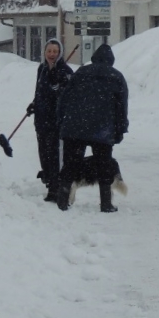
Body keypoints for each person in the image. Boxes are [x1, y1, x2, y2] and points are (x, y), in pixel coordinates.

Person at [55, 43, 129, 212]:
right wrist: (120, 130)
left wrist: (61, 122)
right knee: (104, 165)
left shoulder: (80, 72)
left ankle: (62, 200)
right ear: (111, 61)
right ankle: (106, 204)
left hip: (74, 127)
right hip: (102, 129)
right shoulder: (116, 76)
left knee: (70, 164)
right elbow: (121, 108)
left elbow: (63, 99)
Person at [28, 38, 73, 202]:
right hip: (41, 119)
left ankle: (55, 188)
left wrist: (57, 85)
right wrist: (34, 104)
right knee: (44, 153)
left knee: (54, 155)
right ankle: (49, 180)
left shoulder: (65, 71)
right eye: (49, 51)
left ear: (60, 53)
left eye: (55, 51)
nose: (52, 54)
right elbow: (39, 90)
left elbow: (66, 97)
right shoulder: (42, 69)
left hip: (56, 121)